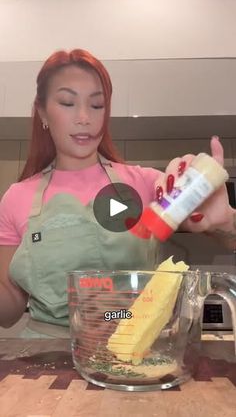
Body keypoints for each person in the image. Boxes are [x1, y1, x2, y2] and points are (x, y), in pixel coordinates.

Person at [0, 49, 235, 339]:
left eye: (97, 105)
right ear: (42, 112)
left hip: (134, 355)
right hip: (44, 361)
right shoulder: (16, 198)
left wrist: (225, 224)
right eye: (67, 102)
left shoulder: (147, 184)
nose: (84, 117)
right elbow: (9, 312)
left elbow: (229, 238)